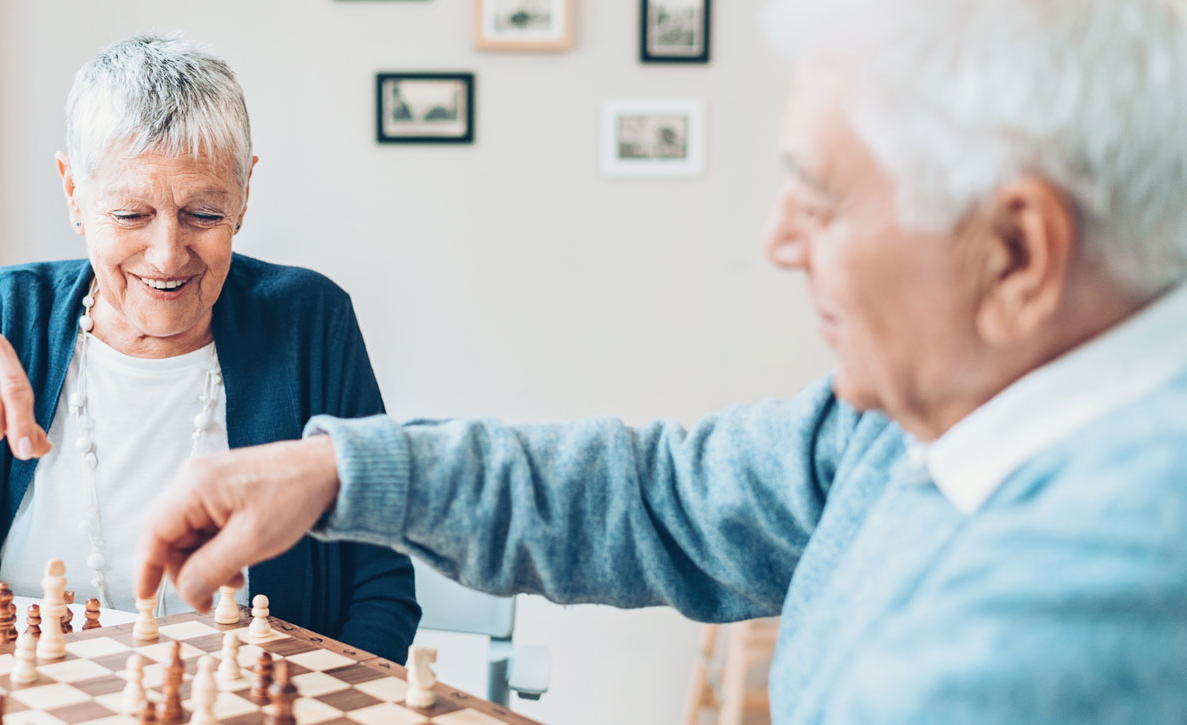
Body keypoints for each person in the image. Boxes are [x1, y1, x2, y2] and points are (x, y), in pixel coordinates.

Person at [133, 0, 1187, 720]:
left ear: (1016, 255)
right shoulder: (920, 414)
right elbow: (664, 493)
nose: (779, 238)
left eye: (820, 199)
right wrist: (334, 471)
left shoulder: (1070, 614)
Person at [0, 33, 419, 661]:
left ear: (244, 196)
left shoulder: (309, 323)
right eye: (130, 215)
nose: (168, 255)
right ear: (74, 193)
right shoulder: (3, 318)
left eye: (203, 213)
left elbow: (381, 585)